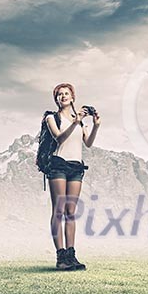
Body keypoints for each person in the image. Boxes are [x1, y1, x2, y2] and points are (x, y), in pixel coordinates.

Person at [45, 83, 100, 271]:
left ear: (73, 97)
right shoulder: (51, 118)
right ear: (56, 99)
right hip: (59, 164)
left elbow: (89, 143)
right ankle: (60, 257)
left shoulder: (80, 122)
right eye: (59, 94)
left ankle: (71, 255)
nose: (63, 96)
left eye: (66, 93)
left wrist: (96, 126)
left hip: (76, 167)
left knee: (70, 212)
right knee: (58, 211)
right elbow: (59, 138)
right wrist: (75, 122)